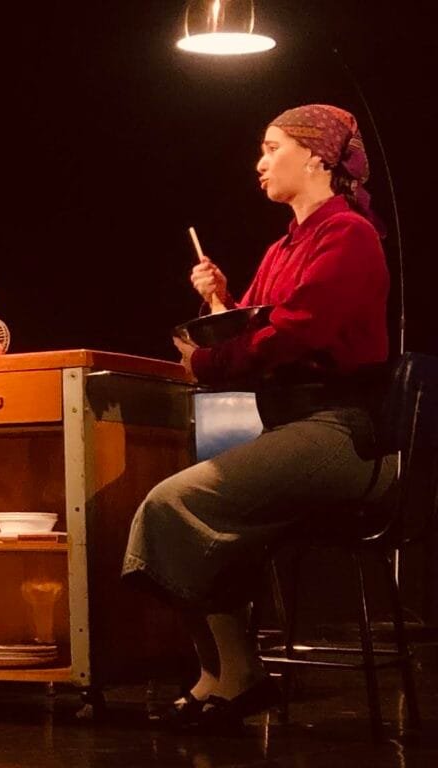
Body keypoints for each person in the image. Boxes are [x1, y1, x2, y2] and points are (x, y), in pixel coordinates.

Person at [121, 104, 396, 730]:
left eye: (272, 148)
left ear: (317, 156)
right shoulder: (283, 248)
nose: (260, 162)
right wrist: (220, 300)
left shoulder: (348, 234)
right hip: (294, 431)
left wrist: (206, 362)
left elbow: (294, 333)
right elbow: (256, 327)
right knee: (184, 516)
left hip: (344, 434)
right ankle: (219, 676)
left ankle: (239, 675)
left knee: (173, 504)